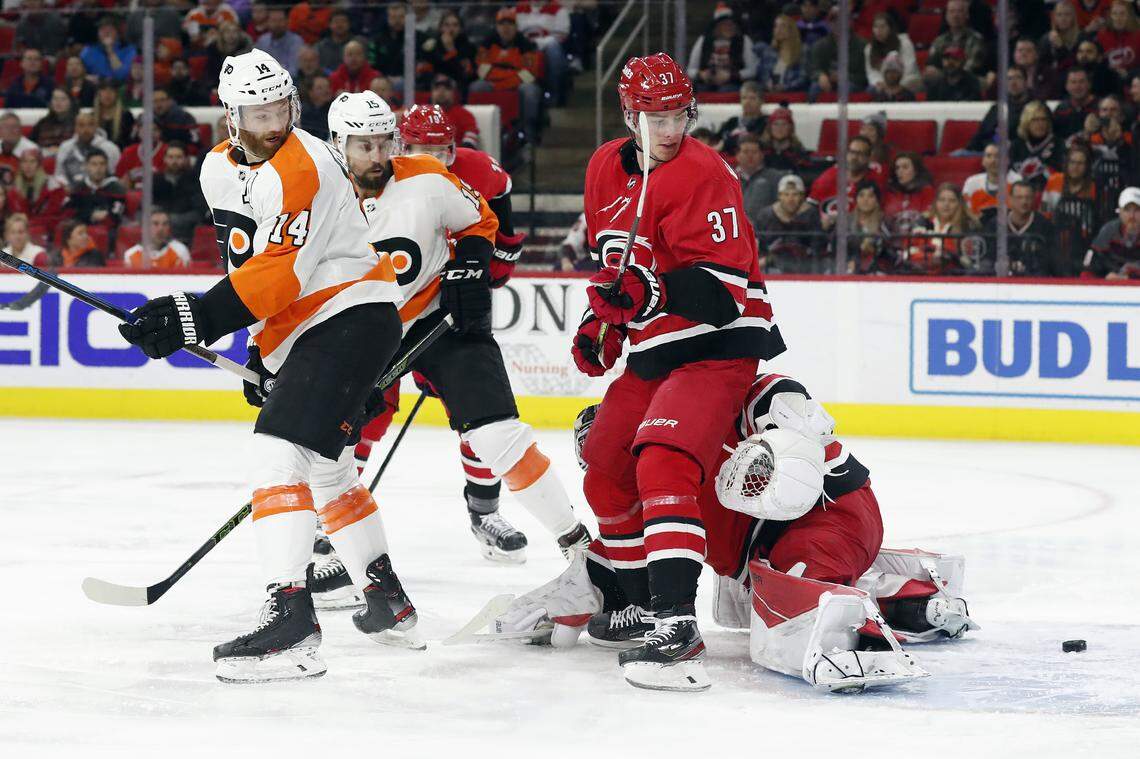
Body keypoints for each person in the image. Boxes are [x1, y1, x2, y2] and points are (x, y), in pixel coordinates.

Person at [116, 49, 415, 683]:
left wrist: (189, 315)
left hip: (352, 316)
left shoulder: (303, 163)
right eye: (258, 110)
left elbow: (280, 274)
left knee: (276, 456)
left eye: (281, 106)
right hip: (309, 329)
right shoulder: (217, 170)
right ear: (232, 115)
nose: (273, 120)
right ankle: (385, 599)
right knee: (330, 468)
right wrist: (262, 349)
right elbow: (248, 268)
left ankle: (293, 622)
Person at [490, 371, 976, 693]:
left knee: (790, 615)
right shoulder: (644, 484)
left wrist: (784, 437)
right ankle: (916, 600)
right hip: (769, 555)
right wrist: (573, 595)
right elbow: (628, 560)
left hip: (830, 516)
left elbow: (784, 404)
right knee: (772, 600)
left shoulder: (702, 417)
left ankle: (868, 635)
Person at [571, 53, 785, 691]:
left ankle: (676, 620)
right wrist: (604, 322)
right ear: (628, 115)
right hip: (655, 348)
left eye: (677, 116)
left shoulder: (704, 171)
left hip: (718, 343)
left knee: (661, 456)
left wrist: (646, 294)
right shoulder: (604, 168)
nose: (668, 130)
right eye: (653, 117)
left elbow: (722, 289)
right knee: (606, 468)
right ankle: (637, 601)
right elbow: (617, 266)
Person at [333, 97, 588, 569]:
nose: (432, 158)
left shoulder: (457, 176)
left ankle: (507, 519)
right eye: (361, 143)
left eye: (441, 149)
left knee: (487, 424)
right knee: (353, 426)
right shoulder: (327, 191)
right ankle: (336, 531)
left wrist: (475, 269)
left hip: (446, 312)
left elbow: (495, 233)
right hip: (370, 326)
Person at [472, 9, 545, 142]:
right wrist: (511, 75)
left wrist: (501, 79)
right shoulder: (486, 44)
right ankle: (479, 129)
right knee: (477, 86)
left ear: (516, 27)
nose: (506, 28)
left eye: (510, 24)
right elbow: (482, 71)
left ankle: (528, 133)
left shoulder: (526, 45)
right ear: (496, 26)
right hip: (498, 82)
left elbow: (529, 75)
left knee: (530, 90)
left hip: (513, 84)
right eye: (502, 24)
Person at [980, 180, 1059, 276]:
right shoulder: (995, 224)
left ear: (1034, 199)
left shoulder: (1045, 226)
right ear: (1010, 199)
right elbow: (987, 258)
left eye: (1028, 197)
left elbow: (1051, 263)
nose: (1024, 202)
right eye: (1019, 197)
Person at [754, 174, 827, 272]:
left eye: (795, 194)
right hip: (770, 269)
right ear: (779, 196)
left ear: (802, 196)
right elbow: (757, 245)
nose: (790, 199)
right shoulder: (765, 216)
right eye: (786, 194)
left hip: (805, 270)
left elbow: (818, 249)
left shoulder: (810, 215)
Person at [809, 135, 886, 226]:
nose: (854, 157)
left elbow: (882, 212)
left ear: (868, 157)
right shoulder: (828, 177)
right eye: (851, 152)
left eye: (860, 154)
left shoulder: (876, 179)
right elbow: (809, 208)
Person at [907, 183, 982, 274]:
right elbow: (910, 250)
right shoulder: (923, 221)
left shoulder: (967, 226)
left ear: (959, 203)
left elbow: (968, 261)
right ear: (935, 202)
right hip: (920, 273)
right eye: (942, 200)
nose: (946, 204)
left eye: (952, 201)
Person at [686, 5, 758, 92]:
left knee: (727, 89)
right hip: (707, 84)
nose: (729, 27)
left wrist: (731, 76)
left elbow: (752, 70)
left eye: (731, 24)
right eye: (725, 24)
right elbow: (690, 70)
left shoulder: (743, 41)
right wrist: (701, 74)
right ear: (716, 26)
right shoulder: (704, 41)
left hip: (734, 84)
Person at [1041, 141, 1099, 248]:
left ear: (1087, 166)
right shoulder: (1054, 180)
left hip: (1082, 243)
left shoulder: (1093, 188)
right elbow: (1045, 212)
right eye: (1072, 162)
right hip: (1054, 239)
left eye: (1080, 163)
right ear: (1066, 164)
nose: (1075, 167)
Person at [153, 141, 208, 246]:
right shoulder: (156, 180)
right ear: (164, 159)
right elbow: (145, 208)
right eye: (171, 157)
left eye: (179, 157)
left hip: (187, 237)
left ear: (186, 159)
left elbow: (199, 213)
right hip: (157, 236)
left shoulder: (196, 180)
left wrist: (171, 220)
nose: (174, 161)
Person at [967, 66, 1031, 152]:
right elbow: (983, 133)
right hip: (988, 151)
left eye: (1018, 78)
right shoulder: (997, 108)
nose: (1013, 82)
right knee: (958, 156)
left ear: (1026, 82)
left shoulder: (1034, 107)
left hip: (1014, 154)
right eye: (1009, 79)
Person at [1083, 186, 1140, 278]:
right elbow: (1091, 260)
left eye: (1137, 210)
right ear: (1120, 211)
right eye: (1127, 210)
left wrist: (1129, 274)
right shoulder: (1109, 230)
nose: (1132, 216)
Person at [65, 149, 126, 233]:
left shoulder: (116, 189)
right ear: (86, 166)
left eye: (102, 164)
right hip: (79, 231)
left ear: (107, 166)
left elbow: (116, 216)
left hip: (108, 233)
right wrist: (91, 215)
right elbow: (69, 212)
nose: (98, 168)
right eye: (94, 164)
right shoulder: (78, 188)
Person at [55, 111, 121, 186]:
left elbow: (115, 174)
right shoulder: (65, 147)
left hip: (102, 192)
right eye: (81, 125)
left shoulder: (110, 148)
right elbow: (59, 174)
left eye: (90, 125)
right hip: (71, 190)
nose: (86, 129)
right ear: (75, 128)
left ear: (96, 127)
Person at [7, 151, 67, 231]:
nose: (28, 166)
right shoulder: (14, 190)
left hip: (46, 230)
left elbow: (53, 217)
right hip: (21, 229)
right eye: (24, 162)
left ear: (39, 164)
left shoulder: (53, 187)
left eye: (32, 161)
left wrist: (29, 222)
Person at [420, 11, 478, 91]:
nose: (451, 29)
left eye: (455, 25)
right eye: (447, 25)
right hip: (435, 84)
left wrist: (451, 49)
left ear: (460, 29)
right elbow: (427, 70)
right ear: (440, 28)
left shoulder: (468, 47)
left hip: (459, 85)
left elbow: (466, 75)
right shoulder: (432, 46)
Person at [736, 134, 782, 231]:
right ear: (737, 155)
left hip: (766, 231)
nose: (750, 156)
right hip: (734, 230)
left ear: (762, 155)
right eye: (745, 152)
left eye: (754, 152)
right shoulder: (727, 176)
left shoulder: (775, 177)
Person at [964, 143, 1024, 218]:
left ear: (1007, 160)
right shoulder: (972, 182)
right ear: (983, 161)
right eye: (988, 156)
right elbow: (966, 211)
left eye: (998, 156)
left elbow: (1021, 211)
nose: (993, 160)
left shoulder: (1017, 181)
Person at [1010, 101, 1061, 190]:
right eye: (1035, 120)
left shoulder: (1058, 144)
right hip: (1019, 194)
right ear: (1026, 122)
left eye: (1043, 119)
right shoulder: (1016, 145)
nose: (1040, 123)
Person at [752, 13, 808, 93]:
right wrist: (767, 84)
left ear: (791, 29)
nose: (778, 29)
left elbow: (803, 78)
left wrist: (785, 87)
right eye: (776, 26)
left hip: (794, 95)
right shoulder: (768, 52)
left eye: (782, 26)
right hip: (771, 94)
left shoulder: (802, 50)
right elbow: (762, 75)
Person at [864, 13, 919, 92]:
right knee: (871, 90)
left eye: (882, 26)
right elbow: (871, 73)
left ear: (890, 28)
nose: (878, 30)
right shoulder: (869, 48)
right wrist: (880, 83)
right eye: (875, 27)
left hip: (907, 80)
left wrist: (895, 85)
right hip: (883, 83)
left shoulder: (904, 43)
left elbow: (909, 68)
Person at [884, 152, 935, 236]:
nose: (900, 171)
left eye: (905, 167)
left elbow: (927, 216)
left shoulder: (927, 191)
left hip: (916, 240)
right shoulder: (890, 193)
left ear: (916, 170)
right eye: (897, 168)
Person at [122, 210, 192, 269]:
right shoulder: (131, 255)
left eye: (165, 224)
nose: (160, 229)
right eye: (155, 224)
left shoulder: (180, 251)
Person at [429, 75, 480, 149]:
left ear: (454, 93)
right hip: (427, 156)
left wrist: (463, 151)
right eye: (437, 88)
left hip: (456, 156)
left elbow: (471, 136)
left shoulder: (464, 114)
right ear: (432, 93)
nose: (441, 91)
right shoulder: (423, 114)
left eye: (447, 88)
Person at [81, 17, 137, 82]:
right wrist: (86, 77)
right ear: (98, 33)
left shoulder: (129, 50)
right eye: (103, 29)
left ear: (117, 32)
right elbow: (77, 74)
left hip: (120, 88)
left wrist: (110, 50)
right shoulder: (88, 51)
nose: (106, 33)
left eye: (110, 29)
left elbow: (122, 76)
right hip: (95, 88)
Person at [715, 81, 765, 155]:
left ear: (761, 101)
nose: (747, 102)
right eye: (744, 98)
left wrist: (725, 142)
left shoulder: (765, 122)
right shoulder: (732, 121)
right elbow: (715, 140)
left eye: (752, 98)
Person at [1096, 0, 1140, 76]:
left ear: (1129, 16)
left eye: (1122, 14)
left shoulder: (1138, 35)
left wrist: (1129, 74)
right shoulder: (1101, 35)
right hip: (1108, 77)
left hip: (1133, 78)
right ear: (1110, 16)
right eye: (1114, 14)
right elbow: (1097, 63)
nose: (1118, 18)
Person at [256, 8, 304, 78]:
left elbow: (294, 70)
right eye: (274, 21)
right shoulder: (262, 41)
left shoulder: (296, 41)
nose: (277, 24)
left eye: (280, 20)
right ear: (267, 22)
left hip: (290, 82)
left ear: (287, 22)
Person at [1053, 67, 1098, 141]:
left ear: (1089, 84)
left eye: (1081, 81)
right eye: (1073, 82)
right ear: (1066, 86)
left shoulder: (1102, 107)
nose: (1077, 86)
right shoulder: (1060, 110)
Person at [758, 106, 808, 171]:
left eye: (784, 124)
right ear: (770, 127)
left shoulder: (798, 151)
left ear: (790, 128)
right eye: (776, 124)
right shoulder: (760, 149)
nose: (779, 128)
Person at [92, 81, 136, 149]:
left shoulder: (126, 116)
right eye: (104, 90)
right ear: (98, 94)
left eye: (111, 90)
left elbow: (129, 141)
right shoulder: (91, 116)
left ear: (116, 94)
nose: (107, 94)